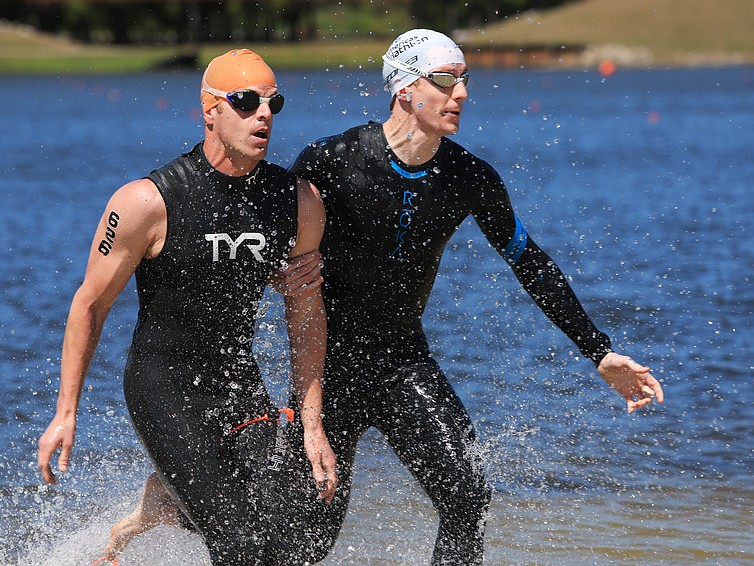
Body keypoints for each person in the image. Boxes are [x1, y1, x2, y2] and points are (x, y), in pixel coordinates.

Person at [109, 30, 666, 565]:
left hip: (403, 362)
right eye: (447, 81)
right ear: (405, 89)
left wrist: (600, 351)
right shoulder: (332, 161)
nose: (463, 94)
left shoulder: (469, 177)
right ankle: (174, 506)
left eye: (464, 80)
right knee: (295, 546)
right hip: (332, 373)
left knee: (468, 496)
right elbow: (265, 227)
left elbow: (531, 263)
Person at [36, 49, 339, 566]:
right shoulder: (147, 203)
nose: (262, 115)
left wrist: (312, 424)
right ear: (210, 110)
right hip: (164, 386)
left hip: (237, 381)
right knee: (240, 543)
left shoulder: (298, 202)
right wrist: (66, 413)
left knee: (298, 535)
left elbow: (306, 317)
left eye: (273, 103)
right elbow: (89, 305)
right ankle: (178, 498)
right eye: (245, 102)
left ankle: (166, 504)